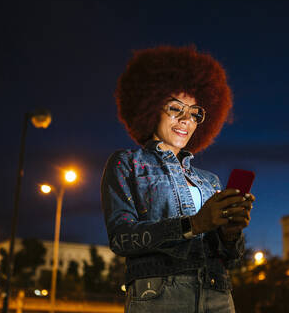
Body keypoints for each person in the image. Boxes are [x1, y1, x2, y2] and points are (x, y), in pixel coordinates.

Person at [101, 46, 255, 313]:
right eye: (175, 108)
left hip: (218, 295)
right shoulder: (127, 164)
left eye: (195, 112)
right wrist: (194, 224)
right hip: (160, 296)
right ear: (149, 108)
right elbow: (121, 238)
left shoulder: (210, 181)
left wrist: (230, 234)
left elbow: (229, 258)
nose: (186, 119)